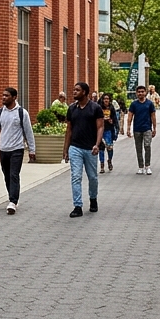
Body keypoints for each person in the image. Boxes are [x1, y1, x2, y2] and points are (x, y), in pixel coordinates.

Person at [0, 87, 36, 214]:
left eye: (6, 95)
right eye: (3, 95)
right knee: (7, 175)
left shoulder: (22, 113)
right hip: (3, 149)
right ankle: (12, 197)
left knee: (13, 175)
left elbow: (29, 132)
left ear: (14, 97)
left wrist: (32, 149)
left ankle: (13, 201)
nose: (3, 97)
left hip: (17, 149)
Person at [63, 82, 103, 218]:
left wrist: (97, 144)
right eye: (74, 90)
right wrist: (66, 149)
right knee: (76, 177)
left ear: (85, 92)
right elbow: (69, 130)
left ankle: (93, 199)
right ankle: (78, 206)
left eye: (77, 90)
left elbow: (100, 127)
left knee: (92, 177)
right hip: (75, 147)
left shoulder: (95, 108)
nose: (74, 92)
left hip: (90, 148)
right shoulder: (72, 109)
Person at [128, 85, 157, 175]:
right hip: (137, 128)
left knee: (147, 146)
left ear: (145, 92)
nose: (140, 93)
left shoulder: (149, 104)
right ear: (136, 93)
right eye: (139, 92)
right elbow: (130, 116)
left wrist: (154, 128)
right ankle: (140, 166)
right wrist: (128, 128)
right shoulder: (134, 104)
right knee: (138, 148)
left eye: (142, 91)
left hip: (147, 128)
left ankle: (147, 166)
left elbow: (153, 116)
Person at [98, 97, 119, 173]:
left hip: (108, 130)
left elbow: (115, 119)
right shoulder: (99, 108)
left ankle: (109, 160)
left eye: (107, 99)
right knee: (101, 148)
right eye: (105, 99)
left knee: (109, 147)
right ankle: (102, 165)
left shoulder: (111, 108)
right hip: (100, 130)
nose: (106, 100)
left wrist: (113, 123)